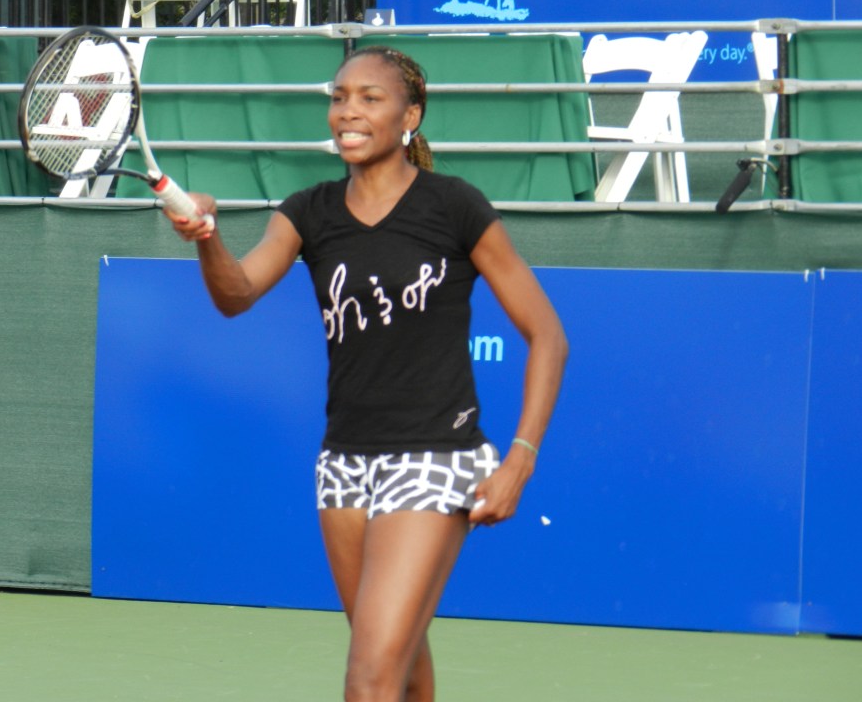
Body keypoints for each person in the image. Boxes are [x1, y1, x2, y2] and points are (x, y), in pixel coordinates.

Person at [167, 45, 568, 702]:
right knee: (401, 667)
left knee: (369, 678)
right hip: (345, 464)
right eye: (339, 96)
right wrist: (208, 237)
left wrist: (518, 462)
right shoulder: (309, 210)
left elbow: (547, 336)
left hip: (436, 457)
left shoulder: (453, 206)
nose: (347, 112)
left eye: (368, 98)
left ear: (411, 115)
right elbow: (236, 294)